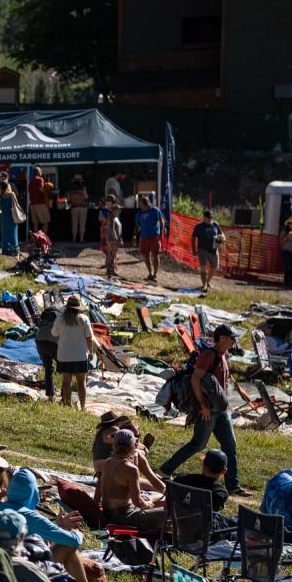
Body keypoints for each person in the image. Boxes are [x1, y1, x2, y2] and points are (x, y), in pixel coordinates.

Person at [158, 325, 247, 495]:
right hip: (207, 410)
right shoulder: (208, 355)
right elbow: (195, 379)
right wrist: (203, 406)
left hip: (221, 411)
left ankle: (233, 486)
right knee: (198, 444)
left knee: (230, 446)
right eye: (232, 337)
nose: (234, 340)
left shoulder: (223, 356)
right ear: (222, 339)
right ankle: (164, 471)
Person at [0, 469, 90, 582]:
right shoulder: (31, 517)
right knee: (68, 546)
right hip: (19, 574)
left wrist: (59, 527)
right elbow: (73, 541)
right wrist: (77, 533)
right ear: (33, 493)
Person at [96, 429, 165, 536]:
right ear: (133, 445)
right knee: (170, 512)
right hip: (124, 518)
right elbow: (138, 502)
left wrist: (167, 492)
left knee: (160, 497)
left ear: (114, 445)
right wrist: (148, 505)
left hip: (110, 514)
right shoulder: (130, 469)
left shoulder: (107, 462)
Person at [51, 295, 94, 410]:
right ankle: (83, 407)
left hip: (64, 355)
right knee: (81, 381)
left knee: (66, 381)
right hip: (80, 355)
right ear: (78, 307)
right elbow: (89, 338)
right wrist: (91, 352)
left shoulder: (60, 319)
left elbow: (54, 334)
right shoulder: (84, 319)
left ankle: (68, 404)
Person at [134, 195, 165, 281]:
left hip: (154, 236)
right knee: (146, 255)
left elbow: (161, 221)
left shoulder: (155, 210)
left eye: (141, 204)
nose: (139, 205)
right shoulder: (139, 213)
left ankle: (155, 274)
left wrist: (161, 233)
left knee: (155, 255)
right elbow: (137, 225)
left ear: (146, 204)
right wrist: (134, 235)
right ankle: (150, 273)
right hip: (144, 237)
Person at [191, 210, 223, 292]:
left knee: (214, 267)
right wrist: (194, 249)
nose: (210, 219)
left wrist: (222, 239)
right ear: (204, 218)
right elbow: (193, 238)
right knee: (203, 267)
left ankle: (207, 282)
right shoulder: (198, 226)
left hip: (214, 249)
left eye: (211, 218)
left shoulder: (215, 224)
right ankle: (204, 285)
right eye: (208, 218)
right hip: (202, 249)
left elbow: (221, 234)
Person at [0, 180, 22, 256]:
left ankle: (6, 250)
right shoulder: (12, 194)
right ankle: (14, 250)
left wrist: (1, 210)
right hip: (12, 216)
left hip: (4, 216)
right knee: (13, 232)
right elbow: (17, 204)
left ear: (0, 188)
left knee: (5, 233)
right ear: (8, 187)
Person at [101, 195, 123, 277]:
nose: (119, 211)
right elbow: (111, 228)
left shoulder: (116, 217)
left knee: (113, 254)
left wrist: (120, 239)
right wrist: (116, 239)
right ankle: (111, 269)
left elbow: (118, 230)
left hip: (114, 239)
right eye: (118, 210)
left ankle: (111, 269)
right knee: (112, 254)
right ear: (114, 210)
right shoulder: (111, 217)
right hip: (112, 239)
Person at [27, 166, 50, 234]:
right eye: (41, 172)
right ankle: (44, 238)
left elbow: (29, 191)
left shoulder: (30, 182)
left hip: (32, 204)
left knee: (35, 223)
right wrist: (47, 191)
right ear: (38, 172)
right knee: (46, 221)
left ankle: (36, 240)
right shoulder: (40, 179)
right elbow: (41, 189)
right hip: (40, 203)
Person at [67, 175, 89, 242]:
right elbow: (86, 197)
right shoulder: (83, 188)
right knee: (82, 224)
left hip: (74, 207)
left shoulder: (70, 188)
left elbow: (68, 199)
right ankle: (81, 239)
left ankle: (74, 239)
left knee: (74, 223)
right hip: (82, 207)